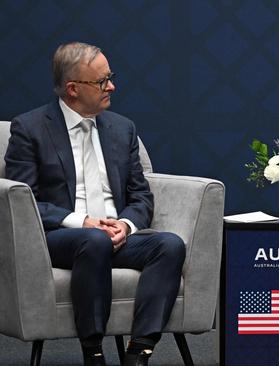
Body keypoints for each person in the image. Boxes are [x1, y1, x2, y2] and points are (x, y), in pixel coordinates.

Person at [4, 42, 186, 366]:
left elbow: (141, 195)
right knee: (93, 240)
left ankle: (139, 351)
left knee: (170, 245)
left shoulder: (122, 128)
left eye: (110, 76)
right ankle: (94, 352)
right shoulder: (30, 129)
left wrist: (125, 224)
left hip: (114, 236)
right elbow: (24, 202)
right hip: (62, 236)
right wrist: (81, 221)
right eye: (102, 81)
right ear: (73, 89)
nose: (111, 86)